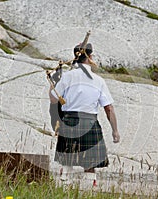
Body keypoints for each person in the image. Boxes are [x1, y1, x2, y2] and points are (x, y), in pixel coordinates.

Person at [49, 43, 120, 181]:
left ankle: (64, 190)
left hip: (69, 121)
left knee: (67, 161)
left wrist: (53, 83)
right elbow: (109, 108)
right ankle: (89, 192)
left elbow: (53, 99)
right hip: (90, 123)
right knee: (90, 164)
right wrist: (115, 131)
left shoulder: (67, 76)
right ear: (89, 57)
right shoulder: (98, 80)